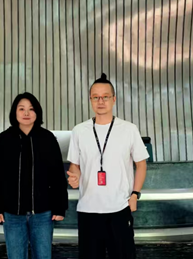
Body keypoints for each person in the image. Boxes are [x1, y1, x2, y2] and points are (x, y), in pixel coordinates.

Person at [67, 73, 149, 259]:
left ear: (114, 99)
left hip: (119, 207)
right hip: (88, 209)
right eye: (95, 97)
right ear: (90, 100)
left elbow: (141, 164)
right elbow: (74, 165)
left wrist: (135, 194)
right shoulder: (79, 131)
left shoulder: (129, 129)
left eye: (105, 97)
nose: (100, 101)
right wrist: (74, 176)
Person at [0, 92, 68, 259]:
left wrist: (60, 207)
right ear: (14, 112)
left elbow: (57, 176)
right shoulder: (3, 140)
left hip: (42, 214)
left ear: (37, 112)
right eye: (21, 109)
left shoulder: (47, 139)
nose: (26, 113)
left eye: (31, 109)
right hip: (12, 214)